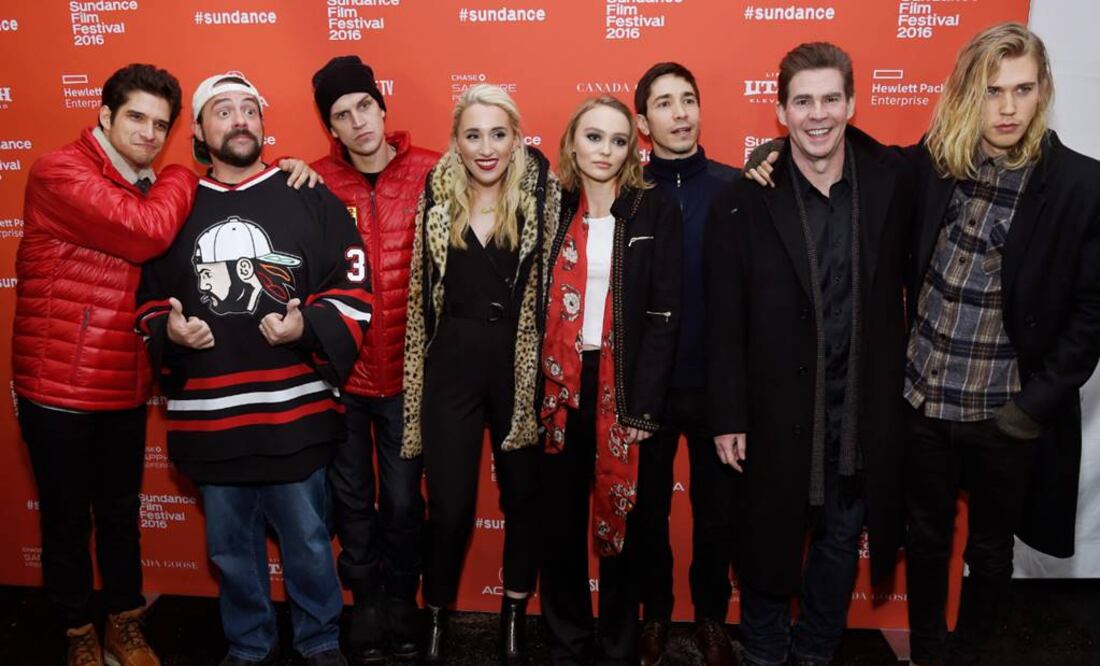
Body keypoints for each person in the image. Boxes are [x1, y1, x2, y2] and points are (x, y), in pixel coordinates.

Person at [134, 72, 372, 666]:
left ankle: (319, 641)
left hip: (294, 413)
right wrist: (169, 329)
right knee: (231, 550)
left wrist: (308, 327)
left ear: (263, 124)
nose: (239, 120)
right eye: (223, 111)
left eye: (249, 110)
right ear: (197, 131)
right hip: (211, 423)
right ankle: (248, 644)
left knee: (310, 541)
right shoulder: (174, 204)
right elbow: (145, 301)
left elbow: (354, 287)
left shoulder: (306, 193)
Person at [705, 43, 912, 666]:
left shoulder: (888, 184)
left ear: (851, 103)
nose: (816, 115)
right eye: (802, 102)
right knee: (767, 542)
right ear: (780, 112)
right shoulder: (743, 199)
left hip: (858, 412)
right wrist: (727, 414)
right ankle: (766, 653)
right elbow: (723, 319)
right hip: (772, 410)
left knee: (841, 542)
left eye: (829, 99)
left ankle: (817, 652)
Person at [901, 24, 1100, 665]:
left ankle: (971, 652)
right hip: (924, 399)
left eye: (1022, 89)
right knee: (926, 539)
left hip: (1003, 414)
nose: (1008, 107)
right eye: (993, 91)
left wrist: (1030, 409)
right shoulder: (939, 161)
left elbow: (1091, 317)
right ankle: (929, 652)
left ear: (1043, 91)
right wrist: (772, 148)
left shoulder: (1078, 184)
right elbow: (850, 161)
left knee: (990, 549)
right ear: (968, 93)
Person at [13, 63, 196, 666]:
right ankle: (77, 634)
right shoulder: (60, 171)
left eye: (161, 125)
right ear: (105, 116)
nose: (148, 133)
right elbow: (146, 234)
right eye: (136, 118)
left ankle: (125, 622)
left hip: (122, 381)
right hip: (58, 385)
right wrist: (178, 171)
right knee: (67, 522)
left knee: (120, 517)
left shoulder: (144, 181)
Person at [400, 83, 561, 664]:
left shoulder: (546, 196)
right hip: (451, 371)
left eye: (498, 134)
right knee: (449, 506)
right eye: (473, 135)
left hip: (521, 373)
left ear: (517, 138)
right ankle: (437, 613)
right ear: (456, 143)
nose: (486, 147)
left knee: (523, 499)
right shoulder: (436, 197)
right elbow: (421, 300)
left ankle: (514, 614)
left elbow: (616, 172)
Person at [538, 95, 683, 666]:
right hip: (559, 386)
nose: (605, 150)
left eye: (618, 140)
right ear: (573, 141)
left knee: (623, 517)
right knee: (560, 522)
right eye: (593, 137)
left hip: (620, 385)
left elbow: (665, 316)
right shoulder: (552, 205)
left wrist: (643, 408)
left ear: (633, 148)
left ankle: (620, 643)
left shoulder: (653, 209)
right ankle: (568, 641)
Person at [309, 55, 439, 665]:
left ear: (382, 108)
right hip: (341, 376)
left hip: (410, 378)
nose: (358, 121)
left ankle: (401, 600)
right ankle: (364, 602)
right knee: (352, 498)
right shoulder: (310, 183)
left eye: (365, 106)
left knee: (407, 501)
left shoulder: (435, 172)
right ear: (330, 128)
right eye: (342, 114)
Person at [632, 62, 740, 666]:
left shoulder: (737, 188)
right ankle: (653, 616)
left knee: (717, 516)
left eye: (688, 99)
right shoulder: (627, 194)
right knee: (647, 513)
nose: (680, 112)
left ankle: (710, 618)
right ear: (643, 122)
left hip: (718, 387)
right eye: (665, 103)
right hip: (647, 388)